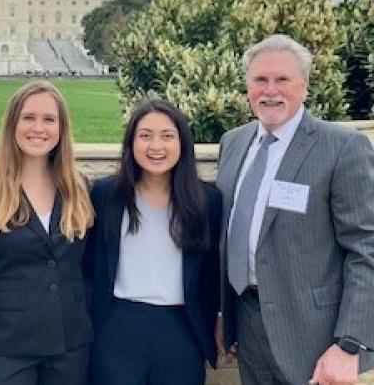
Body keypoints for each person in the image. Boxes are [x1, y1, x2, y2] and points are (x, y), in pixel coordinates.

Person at [216, 34, 374, 385]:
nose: (270, 90)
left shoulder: (342, 148)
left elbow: (366, 249)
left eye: (282, 79)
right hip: (248, 326)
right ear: (247, 86)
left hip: (316, 339)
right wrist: (224, 315)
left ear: (303, 85)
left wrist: (349, 344)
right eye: (260, 80)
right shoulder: (234, 142)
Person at [0, 81, 94, 385]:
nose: (38, 128)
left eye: (49, 119)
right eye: (28, 117)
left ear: (61, 128)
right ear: (13, 123)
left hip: (69, 348)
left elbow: (87, 272)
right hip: (5, 351)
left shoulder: (78, 188)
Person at [87, 99, 221, 385]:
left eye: (167, 136)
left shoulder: (207, 201)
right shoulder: (106, 194)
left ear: (182, 143)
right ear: (131, 142)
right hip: (117, 326)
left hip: (181, 330)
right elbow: (89, 265)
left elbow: (211, 274)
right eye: (145, 136)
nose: (155, 146)